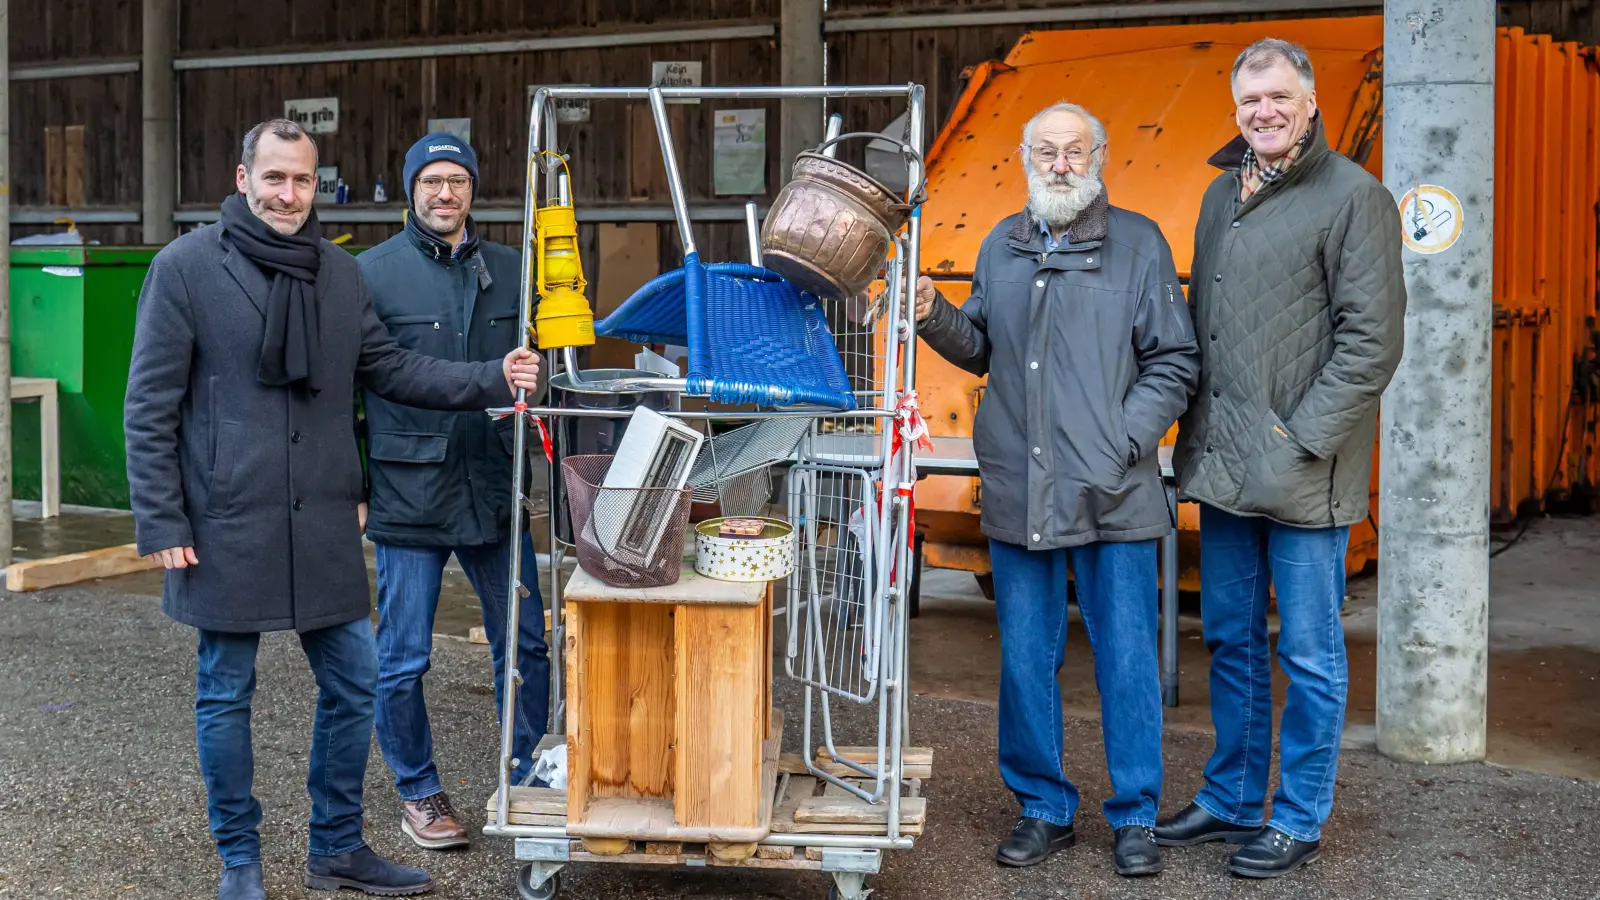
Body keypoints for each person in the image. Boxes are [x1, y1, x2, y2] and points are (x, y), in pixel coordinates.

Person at [123, 118, 543, 900]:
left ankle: (338, 849)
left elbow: (394, 368)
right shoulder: (184, 269)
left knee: (355, 681)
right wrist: (162, 518)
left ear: (320, 185)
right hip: (224, 519)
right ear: (243, 178)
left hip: (320, 516)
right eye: (276, 178)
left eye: (304, 180)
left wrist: (495, 376)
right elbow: (149, 404)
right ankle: (238, 859)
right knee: (226, 690)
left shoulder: (338, 276)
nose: (289, 194)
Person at [914, 101, 1199, 876]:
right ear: (1025, 157)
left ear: (1102, 155)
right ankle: (1042, 806)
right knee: (1025, 656)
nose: (1061, 163)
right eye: (1047, 150)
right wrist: (931, 314)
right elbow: (980, 346)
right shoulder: (1001, 244)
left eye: (1076, 150)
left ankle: (1135, 813)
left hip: (1114, 490)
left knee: (1129, 659)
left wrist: (1123, 442)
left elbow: (1175, 362)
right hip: (1021, 485)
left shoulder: (1137, 244)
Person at [1154, 39, 1406, 879]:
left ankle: (1297, 816)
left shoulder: (1355, 198)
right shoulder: (1222, 195)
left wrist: (1297, 441)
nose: (1263, 111)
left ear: (1309, 102)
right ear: (1237, 112)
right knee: (1230, 638)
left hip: (1303, 470)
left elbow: (1371, 346)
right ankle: (1230, 798)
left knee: (1308, 650)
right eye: (1249, 100)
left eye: (1278, 96)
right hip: (1226, 466)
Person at [357, 132, 549, 851]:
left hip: (495, 486)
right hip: (411, 493)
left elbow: (547, 369)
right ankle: (419, 790)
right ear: (411, 189)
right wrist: (355, 485)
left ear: (473, 189)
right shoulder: (370, 274)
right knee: (403, 657)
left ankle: (525, 771)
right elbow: (350, 392)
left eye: (458, 181)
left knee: (526, 643)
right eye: (432, 180)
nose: (445, 193)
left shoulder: (513, 269)